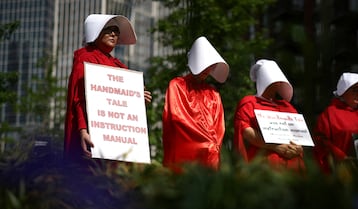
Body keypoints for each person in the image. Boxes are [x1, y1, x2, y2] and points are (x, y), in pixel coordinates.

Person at [64, 14, 152, 165]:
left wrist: (138, 99)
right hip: (92, 136)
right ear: (96, 32)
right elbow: (78, 99)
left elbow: (121, 103)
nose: (114, 34)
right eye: (108, 30)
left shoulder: (119, 66)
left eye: (116, 31)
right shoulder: (85, 57)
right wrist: (83, 130)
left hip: (116, 141)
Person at [162, 36, 229, 172]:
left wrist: (213, 145)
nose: (207, 69)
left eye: (211, 66)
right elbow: (177, 118)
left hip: (210, 154)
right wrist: (206, 141)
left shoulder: (213, 93)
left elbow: (219, 126)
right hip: (185, 154)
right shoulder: (177, 85)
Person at [233, 59, 304, 172]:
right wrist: (275, 147)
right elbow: (245, 130)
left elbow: (299, 133)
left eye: (279, 81)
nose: (278, 84)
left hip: (292, 167)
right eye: (273, 81)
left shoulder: (287, 106)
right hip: (264, 165)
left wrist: (298, 148)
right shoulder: (249, 103)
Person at [313, 72, 358, 187]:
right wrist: (341, 157)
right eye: (355, 90)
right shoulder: (330, 113)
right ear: (344, 91)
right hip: (339, 174)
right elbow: (320, 141)